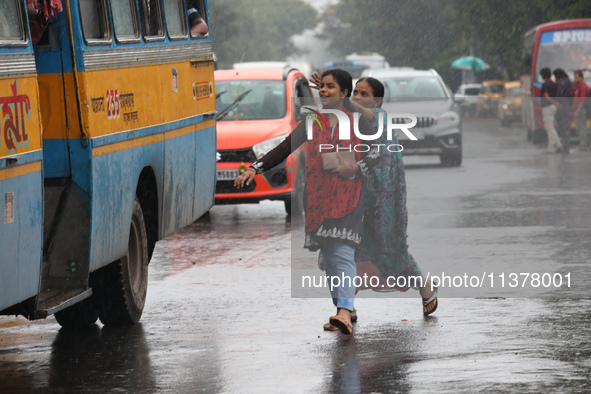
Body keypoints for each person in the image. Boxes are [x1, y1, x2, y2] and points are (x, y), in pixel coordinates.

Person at [235, 69, 377, 335]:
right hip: (318, 199)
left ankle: (343, 312)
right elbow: (284, 147)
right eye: (322, 87)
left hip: (351, 196)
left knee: (343, 251)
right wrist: (255, 168)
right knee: (330, 257)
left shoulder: (358, 120)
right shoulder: (313, 121)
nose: (323, 91)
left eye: (330, 87)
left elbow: (376, 153)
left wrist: (356, 168)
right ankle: (345, 308)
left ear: (344, 93)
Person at [309, 74, 438, 331]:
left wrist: (342, 97)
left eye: (363, 94)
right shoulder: (350, 118)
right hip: (353, 194)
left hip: (382, 200)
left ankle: (425, 288)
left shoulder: (378, 117)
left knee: (389, 250)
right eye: (355, 92)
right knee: (344, 251)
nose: (357, 97)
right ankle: (346, 309)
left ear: (377, 100)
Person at [540, 67, 562, 153]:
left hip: (548, 107)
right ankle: (558, 144)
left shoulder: (545, 84)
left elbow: (546, 96)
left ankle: (551, 148)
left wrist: (554, 102)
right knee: (550, 127)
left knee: (549, 128)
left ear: (543, 75)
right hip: (553, 107)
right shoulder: (554, 84)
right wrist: (556, 103)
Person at [553, 68, 572, 153]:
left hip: (561, 107)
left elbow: (560, 95)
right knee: (565, 127)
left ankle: (565, 146)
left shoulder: (560, 84)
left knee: (563, 128)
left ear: (557, 76)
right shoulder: (567, 81)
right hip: (566, 106)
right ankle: (566, 145)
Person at [572, 70, 589, 151]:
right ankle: (582, 144)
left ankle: (583, 145)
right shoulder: (578, 86)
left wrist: (578, 111)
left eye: (576, 77)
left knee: (582, 128)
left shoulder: (583, 87)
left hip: (580, 110)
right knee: (579, 128)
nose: (574, 79)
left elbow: (582, 100)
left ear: (581, 77)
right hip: (577, 109)